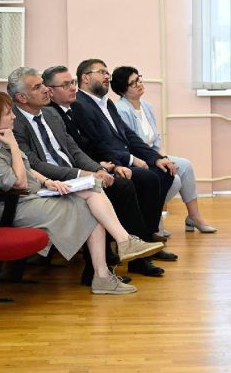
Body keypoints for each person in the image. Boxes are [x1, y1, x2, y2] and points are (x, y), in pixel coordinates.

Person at [0, 91, 165, 295]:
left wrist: (48, 181)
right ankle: (105, 272)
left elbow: (27, 168)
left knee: (92, 188)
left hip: (34, 194)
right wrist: (14, 145)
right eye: (8, 113)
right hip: (16, 205)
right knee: (90, 208)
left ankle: (120, 247)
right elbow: (19, 182)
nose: (14, 116)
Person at [8, 66, 155, 284]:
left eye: (44, 85)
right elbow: (35, 164)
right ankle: (99, 266)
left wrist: (98, 170)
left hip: (73, 175)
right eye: (38, 87)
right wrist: (81, 174)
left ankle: (136, 256)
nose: (46, 90)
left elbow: (74, 150)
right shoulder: (14, 122)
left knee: (121, 186)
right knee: (96, 194)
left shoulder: (50, 114)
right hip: (51, 181)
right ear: (21, 97)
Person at [42, 63, 176, 276]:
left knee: (158, 174)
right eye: (66, 84)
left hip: (99, 164)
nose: (72, 87)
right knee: (135, 182)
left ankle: (144, 243)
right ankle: (132, 253)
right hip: (85, 169)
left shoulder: (89, 106)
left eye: (72, 83)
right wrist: (107, 166)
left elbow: (123, 136)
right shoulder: (63, 110)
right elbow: (89, 146)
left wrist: (155, 157)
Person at [111, 66, 216, 234]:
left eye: (139, 79)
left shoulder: (146, 106)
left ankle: (194, 217)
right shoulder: (121, 110)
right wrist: (158, 160)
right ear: (123, 90)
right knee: (175, 179)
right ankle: (152, 218)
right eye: (133, 83)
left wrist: (164, 157)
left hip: (152, 154)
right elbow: (131, 145)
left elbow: (156, 139)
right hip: (138, 159)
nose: (139, 84)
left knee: (185, 165)